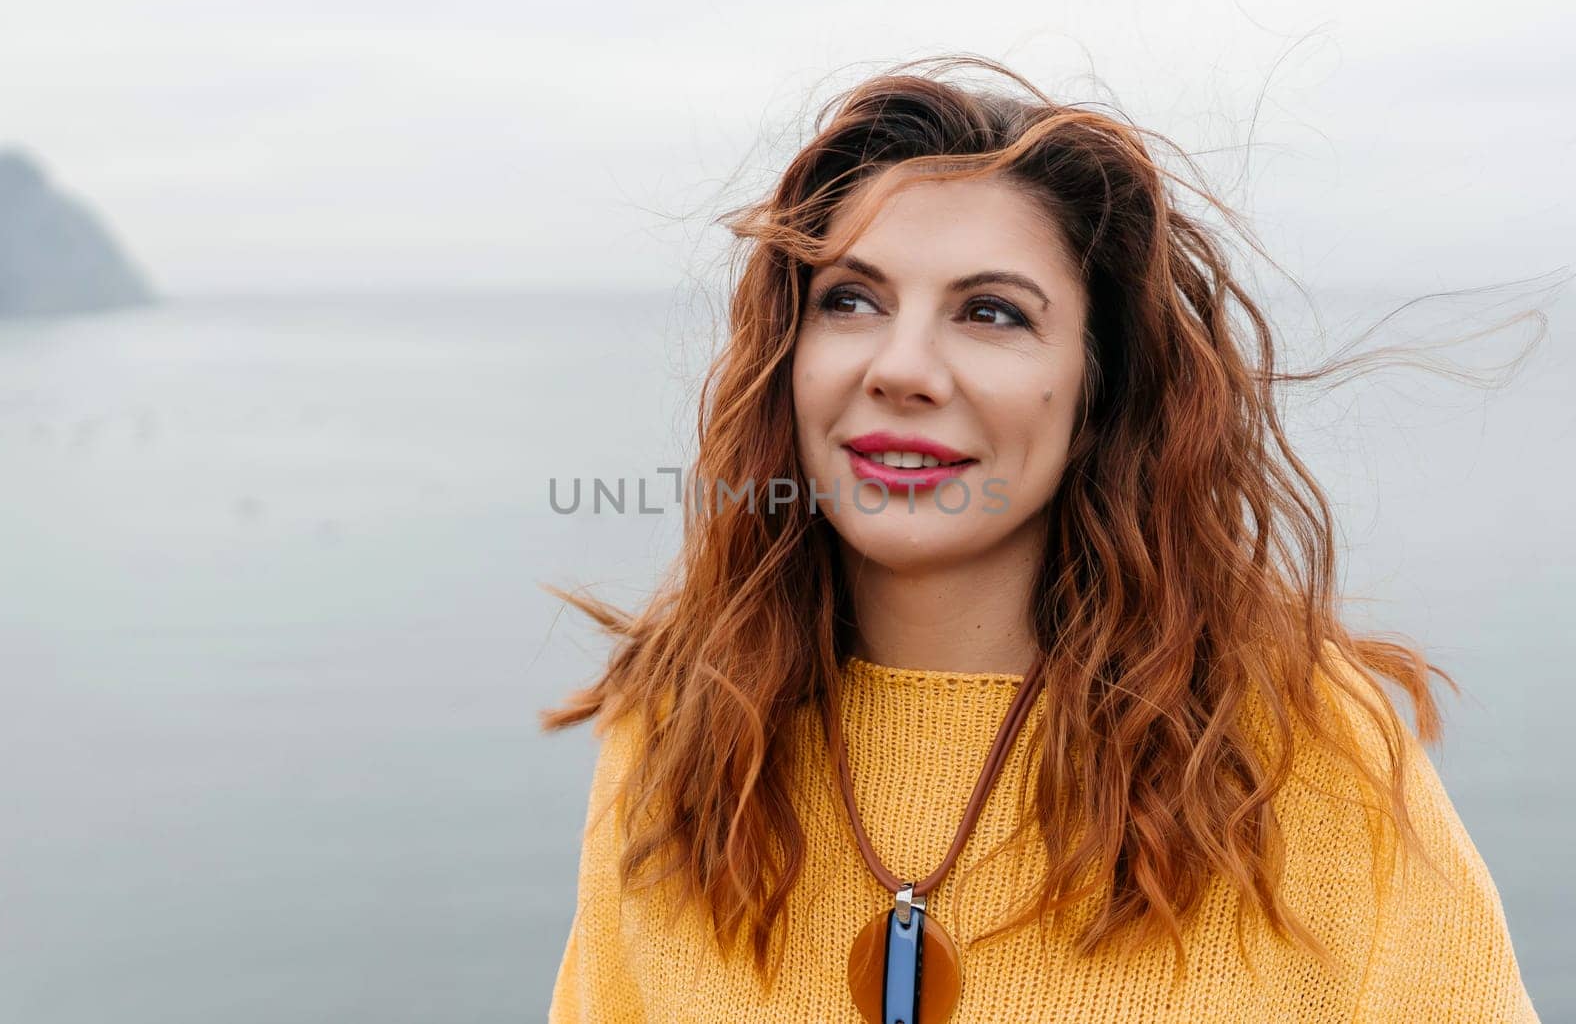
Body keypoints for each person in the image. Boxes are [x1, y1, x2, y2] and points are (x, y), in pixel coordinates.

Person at [539, 54, 1540, 1022]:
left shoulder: (1304, 752)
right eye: (851, 300)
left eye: (990, 313)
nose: (902, 367)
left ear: (1097, 391)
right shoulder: (682, 724)